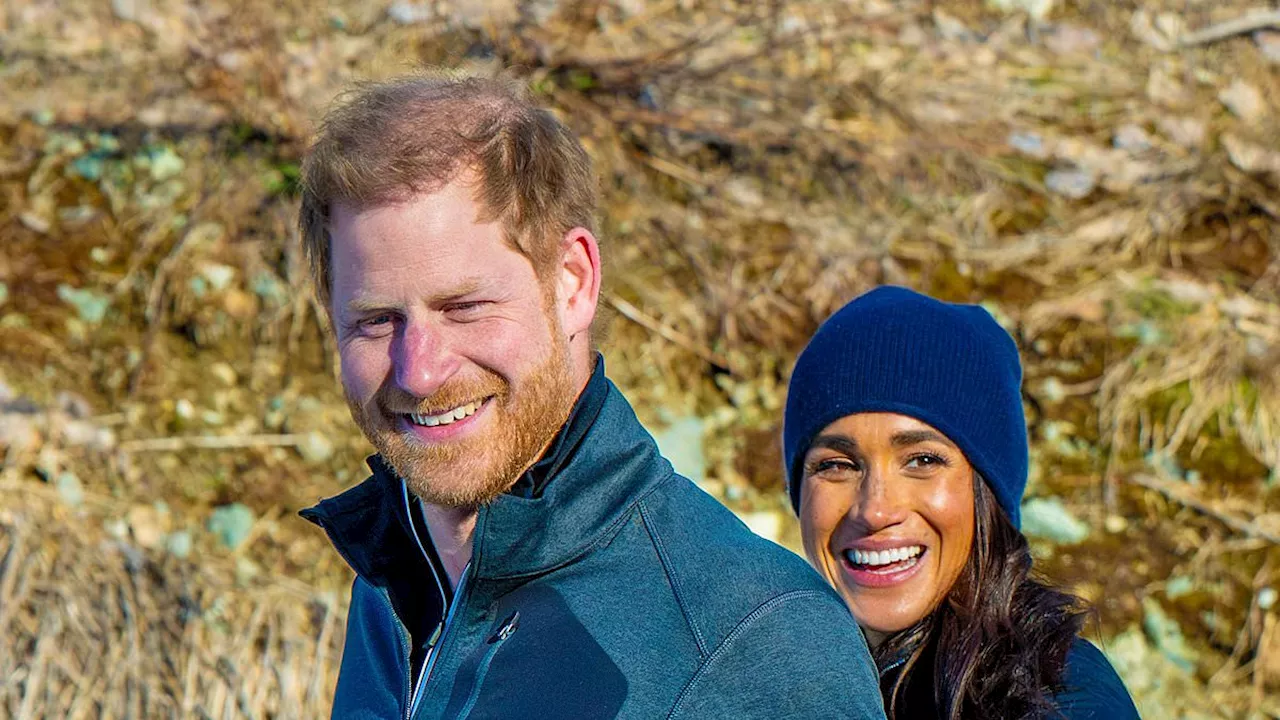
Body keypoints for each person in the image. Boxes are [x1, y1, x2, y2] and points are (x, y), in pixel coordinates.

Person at [295, 71, 885, 719]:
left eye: (464, 307)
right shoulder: (393, 580)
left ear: (573, 282)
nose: (419, 372)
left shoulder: (754, 644)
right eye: (376, 320)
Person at [782, 286, 1141, 720]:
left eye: (922, 460)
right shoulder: (776, 669)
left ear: (986, 490)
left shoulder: (1058, 700)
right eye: (837, 465)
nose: (874, 510)